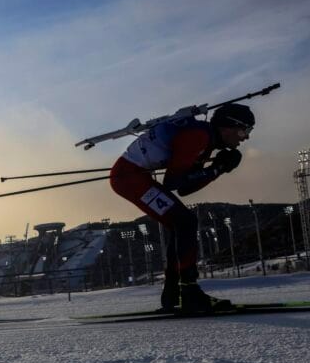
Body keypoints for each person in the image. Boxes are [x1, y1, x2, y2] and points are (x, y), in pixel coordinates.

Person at [109, 103, 255, 313]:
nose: (245, 137)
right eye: (245, 130)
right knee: (185, 222)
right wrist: (217, 168)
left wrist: (218, 169)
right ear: (228, 127)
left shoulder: (206, 140)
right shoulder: (198, 137)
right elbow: (174, 182)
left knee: (181, 223)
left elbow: (186, 188)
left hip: (132, 175)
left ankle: (174, 294)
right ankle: (188, 292)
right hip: (129, 177)